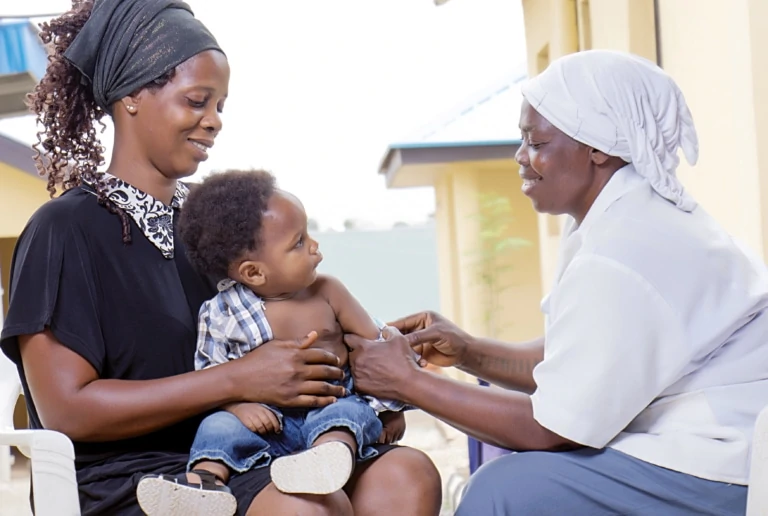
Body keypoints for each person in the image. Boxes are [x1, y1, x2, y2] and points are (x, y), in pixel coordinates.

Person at [0, 1, 441, 515]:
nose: (213, 122)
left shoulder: (213, 231)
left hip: (255, 448)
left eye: (220, 107)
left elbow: (281, 327)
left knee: (407, 475)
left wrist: (368, 369)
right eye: (196, 101)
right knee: (306, 508)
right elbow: (66, 410)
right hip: (131, 477)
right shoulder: (64, 230)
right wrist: (235, 380)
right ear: (132, 97)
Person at [344, 49, 768, 515]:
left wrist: (407, 383)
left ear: (597, 146)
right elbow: (570, 367)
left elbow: (551, 428)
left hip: (725, 469)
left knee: (506, 491)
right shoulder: (627, 218)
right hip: (719, 450)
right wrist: (466, 351)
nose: (521, 157)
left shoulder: (623, 251)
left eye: (537, 143)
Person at [136, 169, 408, 509]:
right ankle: (204, 483)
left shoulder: (328, 291)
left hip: (328, 408)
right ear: (254, 272)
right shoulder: (222, 312)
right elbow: (211, 371)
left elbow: (375, 348)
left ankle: (324, 461)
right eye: (298, 242)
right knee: (218, 426)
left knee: (345, 414)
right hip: (265, 427)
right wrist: (237, 406)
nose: (314, 245)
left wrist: (390, 408)